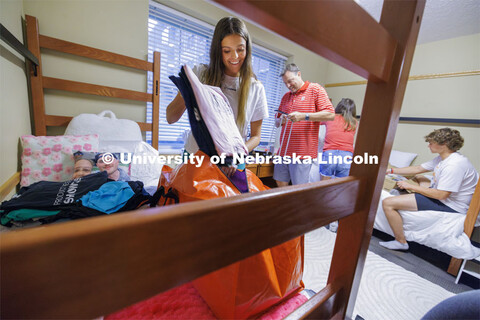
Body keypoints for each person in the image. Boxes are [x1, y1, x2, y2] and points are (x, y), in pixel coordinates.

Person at [166, 17, 268, 175]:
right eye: (227, 50)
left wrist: (237, 156)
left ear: (247, 48)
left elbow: (256, 136)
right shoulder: (200, 73)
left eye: (240, 49)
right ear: (217, 50)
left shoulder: (256, 88)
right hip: (196, 158)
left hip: (232, 163)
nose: (234, 56)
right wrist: (188, 91)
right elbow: (170, 118)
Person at [380, 128, 479, 251]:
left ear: (443, 145)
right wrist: (390, 171)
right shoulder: (445, 157)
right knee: (419, 176)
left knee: (388, 202)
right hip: (443, 196)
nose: (428, 146)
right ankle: (411, 191)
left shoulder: (454, 165)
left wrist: (411, 186)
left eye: (431, 143)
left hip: (451, 205)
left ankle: (401, 241)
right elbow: (417, 169)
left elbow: (442, 195)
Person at [273, 63, 335, 186]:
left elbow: (330, 114)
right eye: (285, 83)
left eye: (290, 81)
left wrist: (304, 116)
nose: (288, 86)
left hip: (302, 153)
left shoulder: (315, 89)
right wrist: (281, 120)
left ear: (299, 74)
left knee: (299, 189)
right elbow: (276, 122)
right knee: (280, 188)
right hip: (283, 152)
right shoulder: (286, 97)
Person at [320, 98, 357, 179]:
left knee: (323, 184)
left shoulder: (330, 117)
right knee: (340, 186)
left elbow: (317, 121)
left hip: (330, 152)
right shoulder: (354, 122)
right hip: (347, 155)